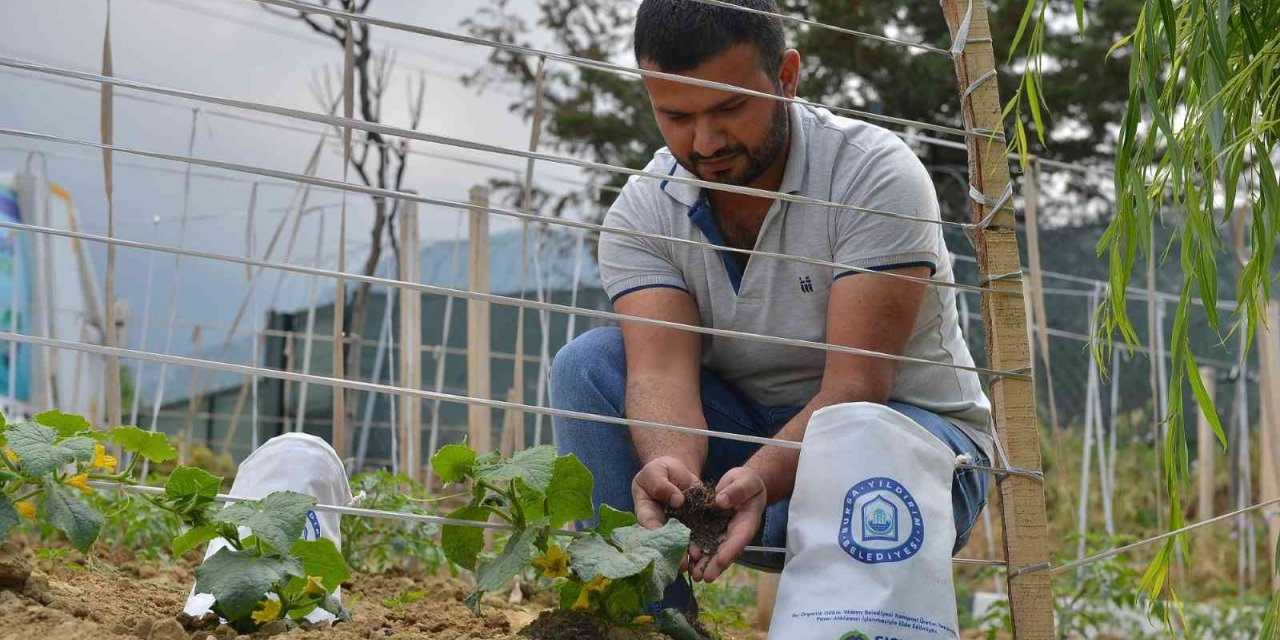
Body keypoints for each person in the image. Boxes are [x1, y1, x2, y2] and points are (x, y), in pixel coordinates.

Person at [549, 0, 994, 612]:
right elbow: (659, 372)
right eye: (675, 116)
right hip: (744, 471)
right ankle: (644, 619)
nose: (705, 142)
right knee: (589, 365)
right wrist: (673, 467)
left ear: (787, 76)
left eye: (730, 108)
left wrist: (763, 476)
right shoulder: (643, 211)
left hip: (910, 457)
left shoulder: (871, 174)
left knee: (865, 437)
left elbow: (859, 384)